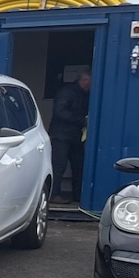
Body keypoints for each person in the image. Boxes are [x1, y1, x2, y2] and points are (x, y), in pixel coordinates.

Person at [50, 71, 90, 204]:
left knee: (78, 166)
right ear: (84, 81)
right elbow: (60, 111)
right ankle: (54, 194)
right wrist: (82, 120)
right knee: (59, 166)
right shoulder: (68, 92)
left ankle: (78, 196)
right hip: (61, 135)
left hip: (75, 136)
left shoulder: (83, 94)